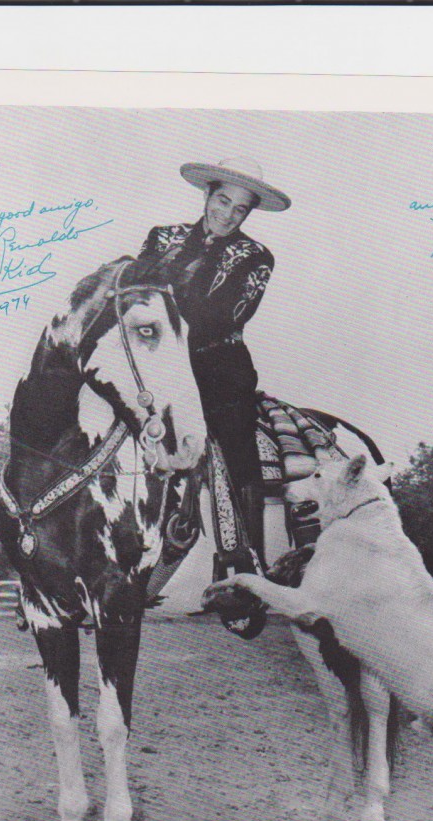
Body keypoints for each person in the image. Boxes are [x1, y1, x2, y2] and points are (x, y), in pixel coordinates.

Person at [139, 156, 291, 571]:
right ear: (207, 195)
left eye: (239, 209)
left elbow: (225, 316)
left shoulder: (256, 257)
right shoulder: (162, 237)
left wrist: (163, 316)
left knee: (235, 438)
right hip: (157, 368)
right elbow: (137, 295)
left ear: (248, 213)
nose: (226, 215)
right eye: (222, 201)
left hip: (218, 367)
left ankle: (243, 556)